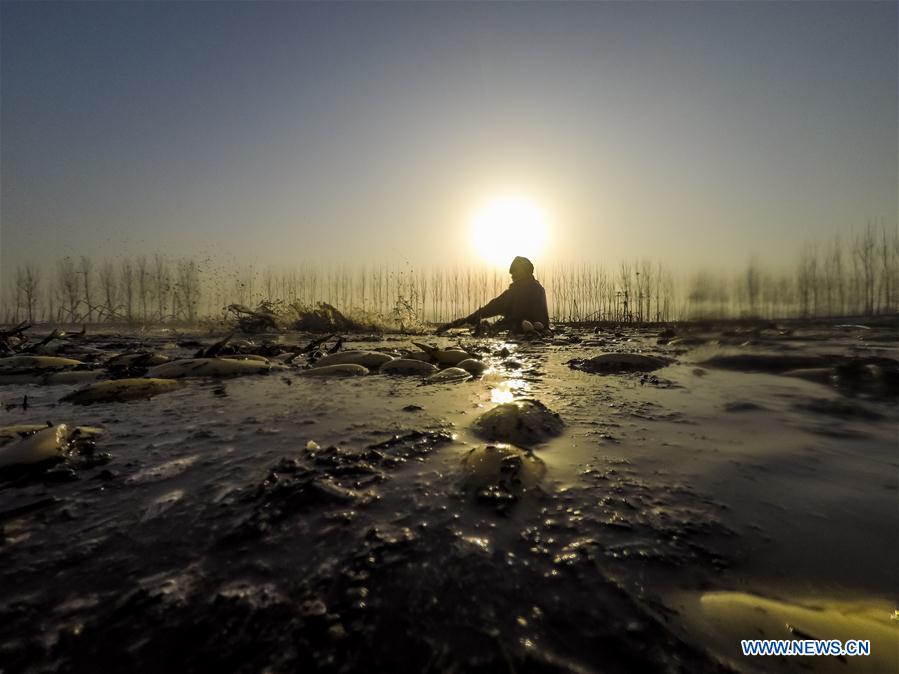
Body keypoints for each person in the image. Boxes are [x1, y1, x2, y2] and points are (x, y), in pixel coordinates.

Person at [436, 256, 549, 334]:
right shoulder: (539, 288)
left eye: (514, 273)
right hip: (542, 333)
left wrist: (454, 324)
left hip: (523, 334)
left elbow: (489, 310)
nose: (512, 277)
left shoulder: (517, 291)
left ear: (522, 272)